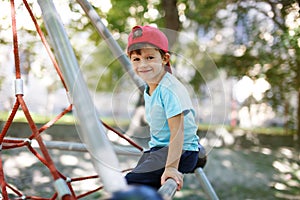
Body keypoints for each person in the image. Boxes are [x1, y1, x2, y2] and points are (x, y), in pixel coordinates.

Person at [125, 25, 203, 191]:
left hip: (182, 151)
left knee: (129, 183)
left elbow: (177, 132)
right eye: (136, 59)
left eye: (150, 57)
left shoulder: (170, 89)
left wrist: (171, 168)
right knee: (140, 178)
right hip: (159, 149)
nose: (143, 64)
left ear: (164, 59)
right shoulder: (152, 86)